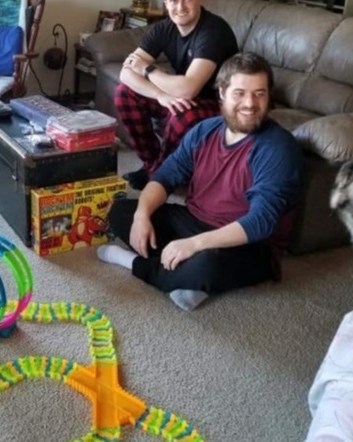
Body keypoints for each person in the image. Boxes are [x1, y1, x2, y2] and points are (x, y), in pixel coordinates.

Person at [98, 52, 303, 311]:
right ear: (222, 94)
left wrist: (195, 244)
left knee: (208, 266)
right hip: (195, 221)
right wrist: (142, 216)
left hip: (248, 243)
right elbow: (164, 177)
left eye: (259, 94)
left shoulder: (278, 148)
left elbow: (260, 222)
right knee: (122, 210)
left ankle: (134, 263)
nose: (250, 103)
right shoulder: (204, 131)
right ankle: (185, 276)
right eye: (240, 93)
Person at [116, 0, 238, 190]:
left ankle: (161, 177)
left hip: (222, 104)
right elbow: (126, 73)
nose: (180, 7)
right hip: (186, 96)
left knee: (182, 113)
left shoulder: (213, 31)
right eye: (173, 0)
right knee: (124, 93)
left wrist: (148, 70)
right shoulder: (164, 28)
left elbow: (189, 88)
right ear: (165, 2)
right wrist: (160, 95)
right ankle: (152, 166)